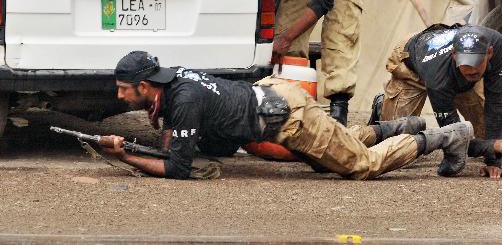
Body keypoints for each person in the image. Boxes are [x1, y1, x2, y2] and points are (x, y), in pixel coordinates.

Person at [102, 51, 476, 180]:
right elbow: (174, 148)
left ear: (147, 84)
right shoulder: (176, 84)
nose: (119, 95)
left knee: (362, 166)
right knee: (326, 158)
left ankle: (447, 136)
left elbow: (178, 168)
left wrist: (124, 155)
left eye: (124, 87)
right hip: (275, 94)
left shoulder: (183, 102)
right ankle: (396, 127)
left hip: (289, 117)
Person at [369, 25, 502, 179]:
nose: (471, 70)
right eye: (466, 66)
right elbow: (454, 138)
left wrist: (493, 161)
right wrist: (494, 146)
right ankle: (382, 105)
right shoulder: (438, 80)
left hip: (449, 72)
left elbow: (494, 100)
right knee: (396, 148)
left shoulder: (495, 41)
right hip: (411, 61)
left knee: (499, 137)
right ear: (454, 55)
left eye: (476, 66)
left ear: (489, 53)